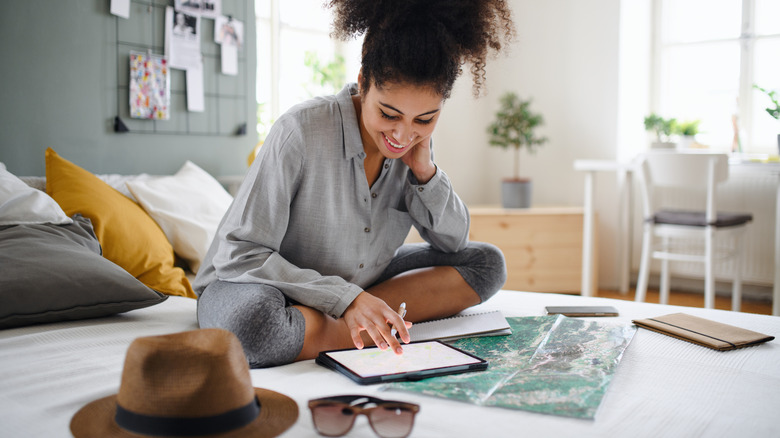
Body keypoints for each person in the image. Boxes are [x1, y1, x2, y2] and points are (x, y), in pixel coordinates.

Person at [194, 0, 515, 368]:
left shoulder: (410, 145)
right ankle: (357, 328)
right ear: (364, 82)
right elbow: (240, 254)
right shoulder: (300, 131)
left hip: (359, 276)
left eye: (424, 119)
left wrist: (425, 171)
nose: (401, 134)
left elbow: (453, 243)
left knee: (487, 263)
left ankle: (331, 324)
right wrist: (346, 299)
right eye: (388, 114)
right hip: (258, 283)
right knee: (253, 327)